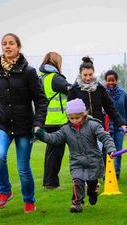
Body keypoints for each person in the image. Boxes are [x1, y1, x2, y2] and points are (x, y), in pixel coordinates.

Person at [0, 33, 47, 213]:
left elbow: (41, 100)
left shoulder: (28, 71)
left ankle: (29, 201)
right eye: (4, 44)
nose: (7, 46)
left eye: (11, 43)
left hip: (24, 125)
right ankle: (5, 191)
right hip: (1, 122)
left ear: (18, 47)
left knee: (23, 168)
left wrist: (38, 123)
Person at [33, 98, 116, 213]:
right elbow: (54, 138)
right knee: (77, 181)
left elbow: (105, 137)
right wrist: (42, 135)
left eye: (77, 118)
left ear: (84, 115)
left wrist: (111, 149)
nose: (75, 121)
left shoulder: (93, 125)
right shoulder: (65, 129)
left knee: (91, 184)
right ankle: (77, 203)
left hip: (93, 162)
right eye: (71, 118)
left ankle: (93, 193)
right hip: (76, 162)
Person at [68, 56, 127, 178]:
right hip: (81, 128)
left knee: (98, 152)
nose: (88, 78)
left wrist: (121, 122)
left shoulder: (99, 88)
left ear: (93, 73)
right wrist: (70, 126)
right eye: (85, 75)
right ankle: (84, 178)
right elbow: (69, 111)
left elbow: (110, 107)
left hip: (97, 127)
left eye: (90, 74)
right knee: (84, 155)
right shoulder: (74, 89)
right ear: (80, 74)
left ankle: (95, 178)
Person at [39, 52, 72, 190]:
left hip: (48, 120)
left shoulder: (42, 77)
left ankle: (49, 182)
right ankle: (51, 183)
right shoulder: (55, 78)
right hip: (57, 120)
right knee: (56, 153)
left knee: (51, 152)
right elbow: (71, 89)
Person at [104, 70, 127, 179]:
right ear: (105, 81)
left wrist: (125, 124)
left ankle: (116, 173)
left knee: (118, 150)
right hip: (107, 127)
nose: (111, 82)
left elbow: (126, 109)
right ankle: (106, 173)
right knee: (107, 150)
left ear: (116, 80)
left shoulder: (122, 93)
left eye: (113, 80)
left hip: (119, 127)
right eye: (108, 80)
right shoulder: (102, 93)